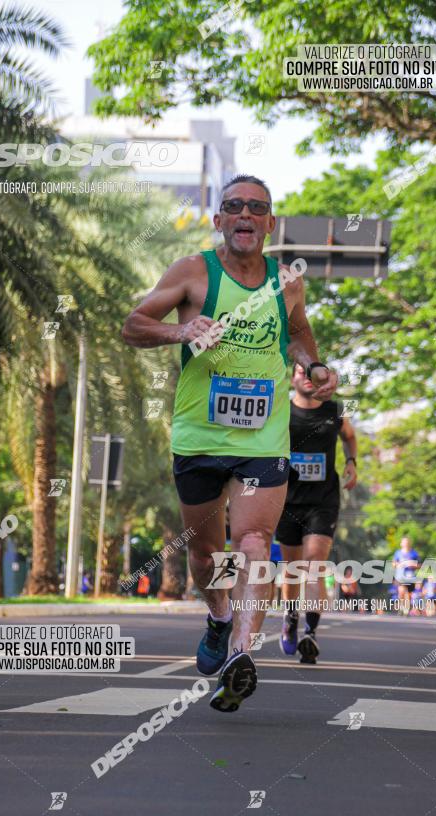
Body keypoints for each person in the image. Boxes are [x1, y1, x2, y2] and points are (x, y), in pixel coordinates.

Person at [122, 174, 337, 711]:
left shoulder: (286, 281)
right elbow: (133, 325)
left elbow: (297, 330)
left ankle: (242, 654)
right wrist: (182, 331)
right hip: (199, 433)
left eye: (256, 208)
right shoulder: (195, 272)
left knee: (254, 543)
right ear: (218, 220)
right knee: (203, 550)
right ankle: (219, 619)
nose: (245, 214)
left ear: (269, 222)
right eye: (233, 206)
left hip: (264, 436)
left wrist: (312, 364)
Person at [275, 363, 357, 663]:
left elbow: (349, 436)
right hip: (285, 498)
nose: (307, 379)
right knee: (292, 567)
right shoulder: (280, 409)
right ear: (293, 377)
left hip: (323, 500)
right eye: (301, 373)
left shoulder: (334, 410)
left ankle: (310, 632)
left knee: (314, 563)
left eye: (313, 374)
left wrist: (351, 462)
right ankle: (290, 617)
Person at [392, 536, 420, 615]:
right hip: (400, 576)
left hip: (410, 576)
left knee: (409, 593)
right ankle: (401, 607)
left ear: (409, 543)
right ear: (401, 544)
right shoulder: (398, 553)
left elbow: (419, 565)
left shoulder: (414, 553)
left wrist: (412, 565)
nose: (406, 544)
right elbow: (393, 564)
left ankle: (406, 608)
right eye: (404, 542)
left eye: (407, 542)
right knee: (401, 591)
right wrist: (400, 564)